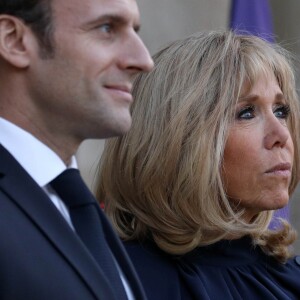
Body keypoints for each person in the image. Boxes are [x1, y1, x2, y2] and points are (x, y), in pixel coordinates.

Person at [97, 31, 300, 299]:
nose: (281, 136)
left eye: (281, 110)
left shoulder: (290, 278)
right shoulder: (119, 281)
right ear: (178, 139)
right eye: (247, 113)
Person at [0, 0, 153, 299]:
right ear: (14, 40)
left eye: (134, 30)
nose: (143, 60)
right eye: (107, 28)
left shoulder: (76, 202)